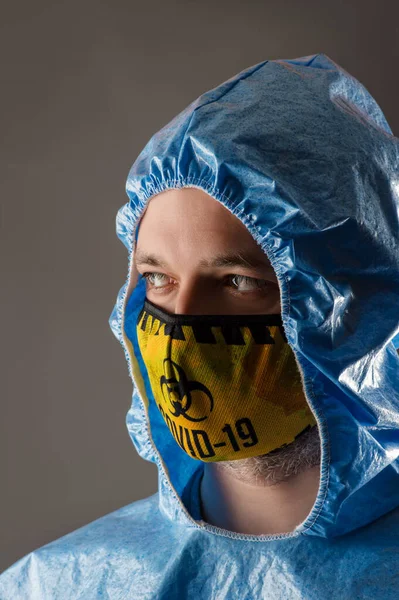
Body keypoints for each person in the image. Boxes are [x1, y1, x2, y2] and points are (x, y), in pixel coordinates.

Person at [1, 52, 398, 598]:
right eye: (157, 279)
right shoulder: (58, 586)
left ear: (355, 311)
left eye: (237, 281)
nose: (180, 324)